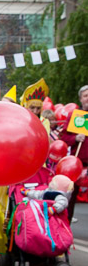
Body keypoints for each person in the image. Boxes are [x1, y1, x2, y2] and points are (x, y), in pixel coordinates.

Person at [60, 84, 88, 222]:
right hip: (78, 162)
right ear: (80, 99)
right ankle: (66, 227)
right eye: (86, 96)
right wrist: (75, 138)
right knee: (71, 197)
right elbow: (63, 137)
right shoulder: (75, 115)